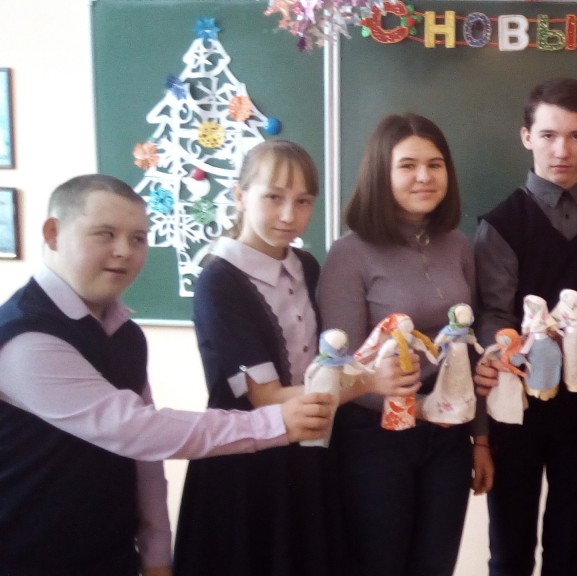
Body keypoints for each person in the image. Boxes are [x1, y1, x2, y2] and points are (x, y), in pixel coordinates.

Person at [0, 174, 333, 576]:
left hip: (109, 553)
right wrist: (276, 422)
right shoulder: (26, 337)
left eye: (138, 238)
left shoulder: (124, 333)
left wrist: (156, 554)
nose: (123, 251)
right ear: (53, 233)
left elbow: (145, 459)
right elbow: (138, 430)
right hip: (27, 554)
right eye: (105, 234)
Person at [173, 140, 407, 576]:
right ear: (239, 196)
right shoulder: (220, 281)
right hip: (247, 464)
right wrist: (369, 382)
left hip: (309, 454)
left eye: (303, 201)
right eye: (273, 197)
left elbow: (328, 360)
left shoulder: (307, 265)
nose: (288, 215)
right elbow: (265, 398)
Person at [474, 77, 577, 576]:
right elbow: (495, 316)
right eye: (548, 135)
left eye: (575, 135)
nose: (561, 150)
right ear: (527, 137)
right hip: (516, 412)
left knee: (569, 549)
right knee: (509, 551)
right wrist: (487, 426)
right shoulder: (501, 223)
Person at [318, 113, 493, 576]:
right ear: (382, 172)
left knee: (436, 565)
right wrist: (416, 408)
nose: (424, 177)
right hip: (377, 438)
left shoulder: (458, 245)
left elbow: (468, 350)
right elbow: (343, 372)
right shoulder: (349, 253)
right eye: (408, 165)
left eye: (435, 165)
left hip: (449, 433)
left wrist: (479, 438)